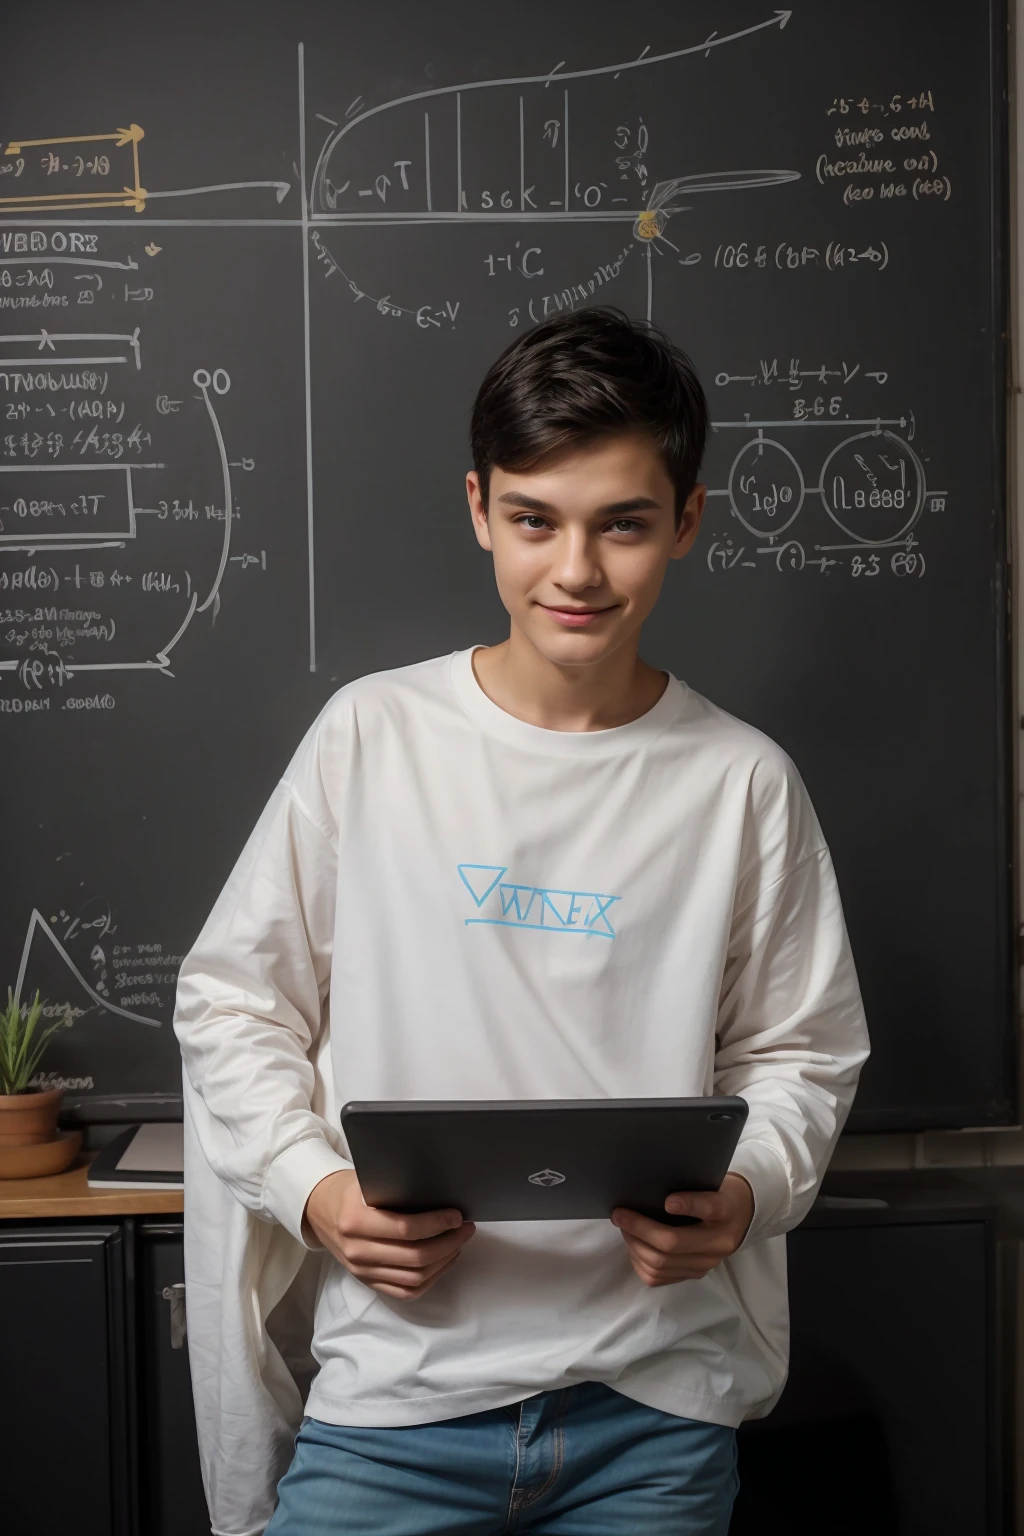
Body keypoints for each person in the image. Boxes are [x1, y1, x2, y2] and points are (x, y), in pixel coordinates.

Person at [174, 306, 870, 1535]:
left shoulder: (741, 780)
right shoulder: (371, 738)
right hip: (393, 1402)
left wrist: (749, 1187)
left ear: (687, 523)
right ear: (480, 509)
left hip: (650, 1417)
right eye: (536, 519)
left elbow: (803, 1052)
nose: (576, 572)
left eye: (624, 525)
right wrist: (314, 1189)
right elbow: (231, 999)